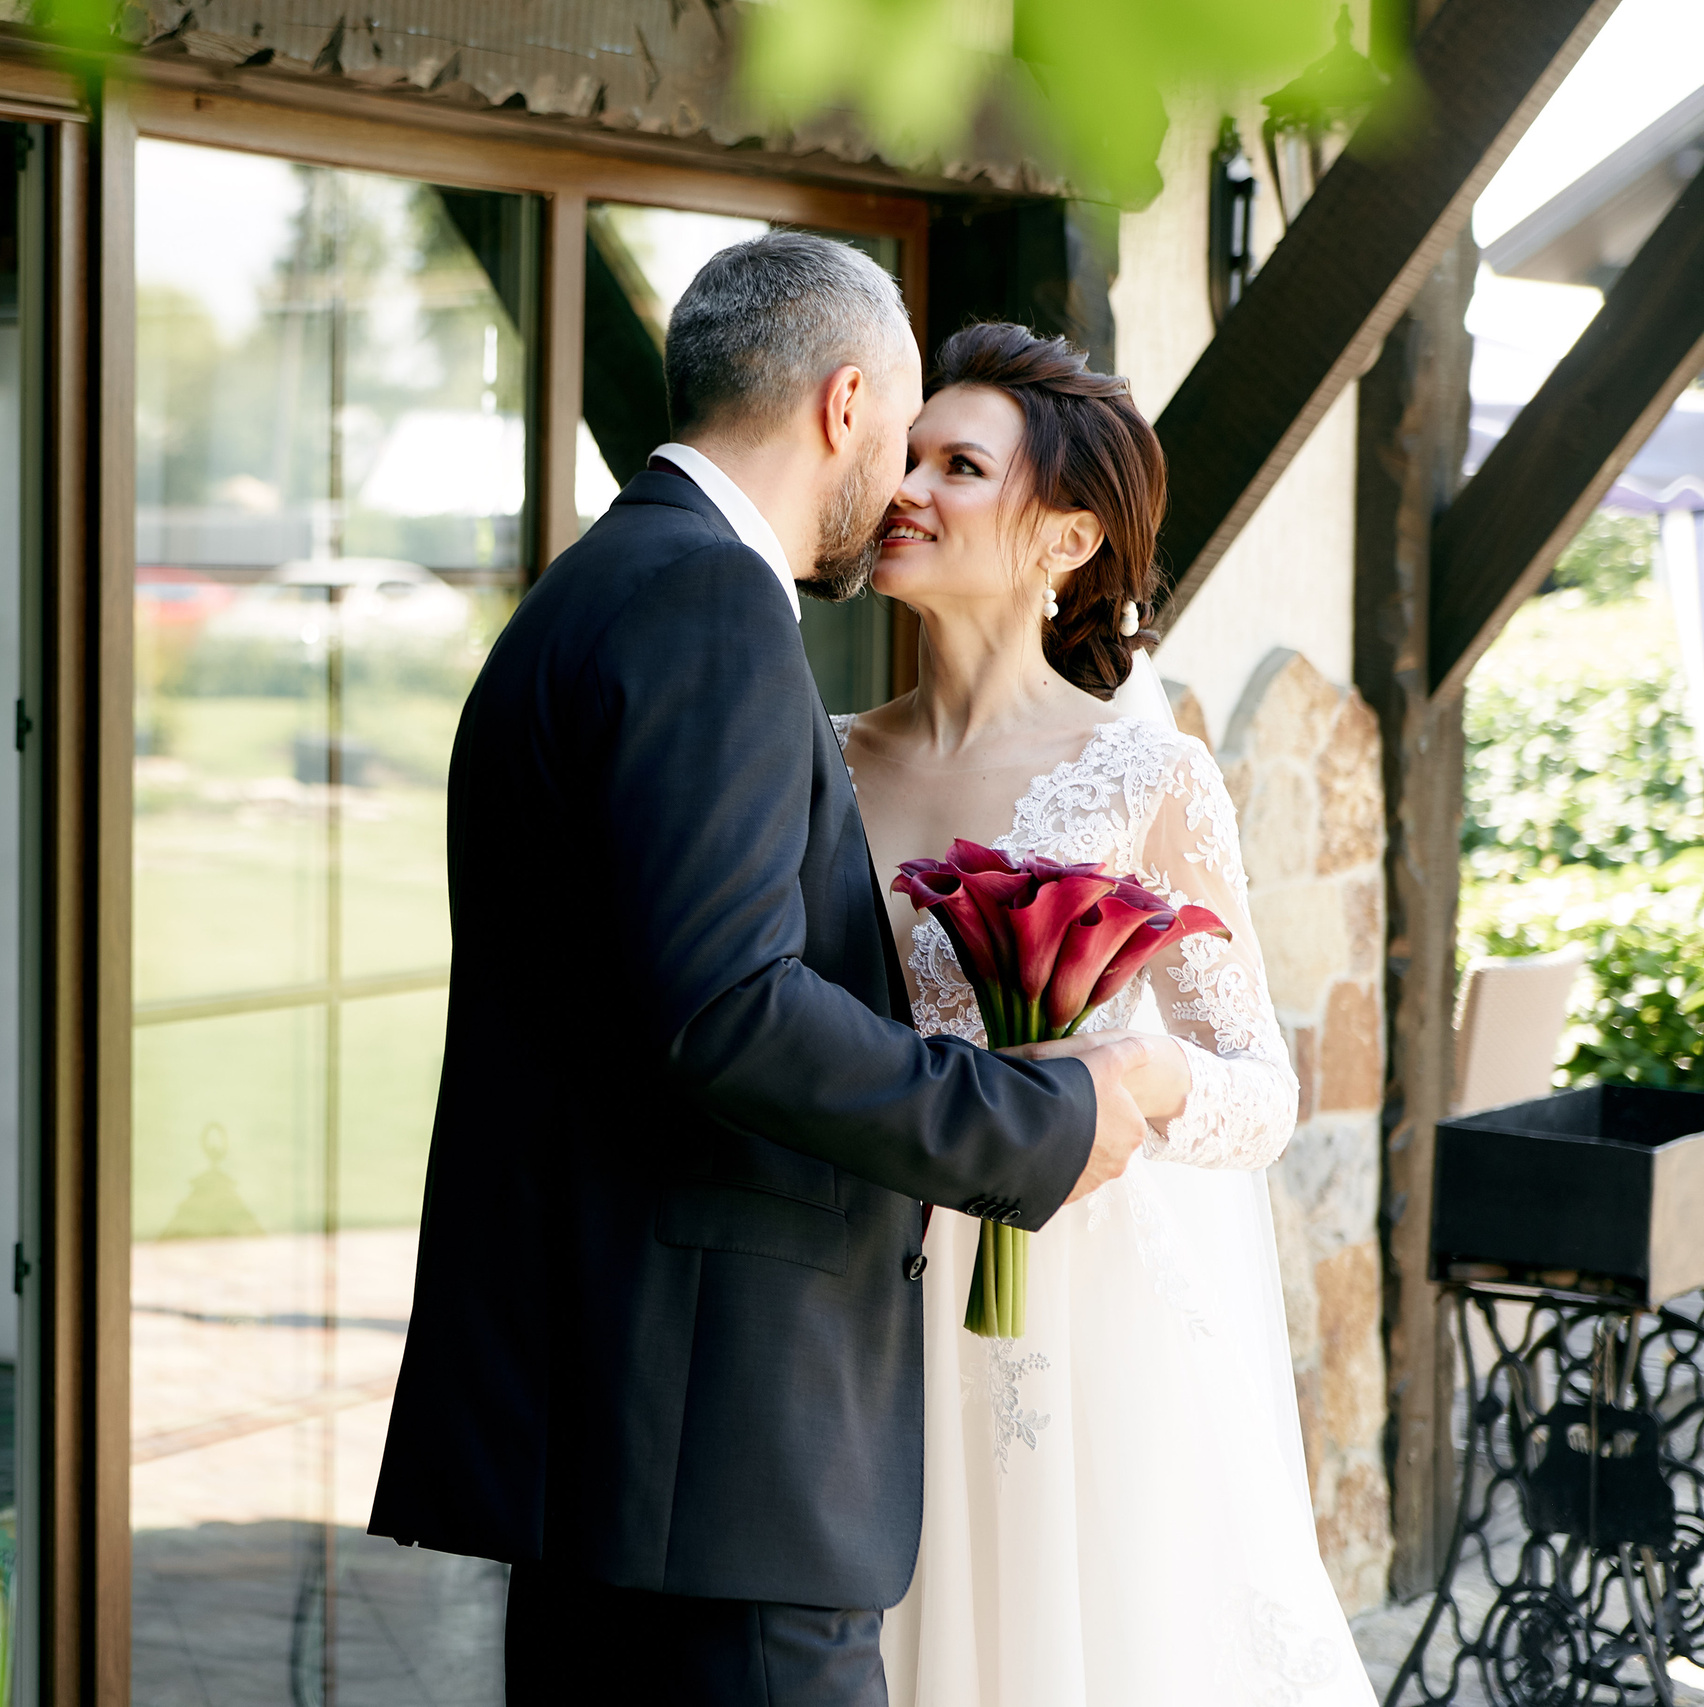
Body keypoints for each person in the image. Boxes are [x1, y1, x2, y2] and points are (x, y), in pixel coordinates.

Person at [368, 234, 1170, 1705]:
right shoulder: (710, 605)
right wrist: (1045, 1120)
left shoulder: (584, 595)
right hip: (718, 1458)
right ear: (842, 405)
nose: (908, 480)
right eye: (906, 432)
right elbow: (730, 1008)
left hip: (616, 1442)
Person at [843, 322, 1377, 1705]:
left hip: (1087, 1315)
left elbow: (1260, 1091)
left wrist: (1135, 1070)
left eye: (958, 464)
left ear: (1065, 544)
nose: (907, 486)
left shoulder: (1146, 774)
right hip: (863, 1296)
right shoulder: (821, 761)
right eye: (906, 454)